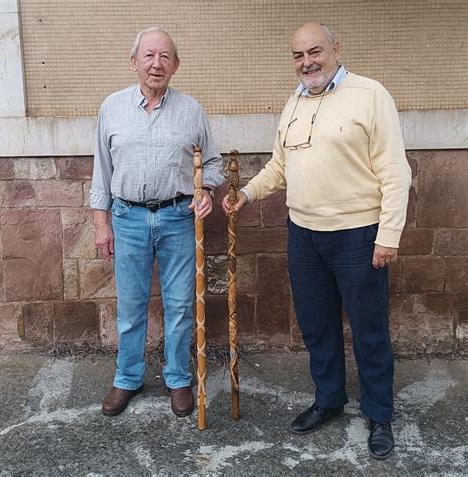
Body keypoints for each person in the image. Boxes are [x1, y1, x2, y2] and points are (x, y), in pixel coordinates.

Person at [222, 22, 411, 460]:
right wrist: (246, 193)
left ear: (335, 49)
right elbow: (280, 167)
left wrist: (388, 235)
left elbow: (394, 171)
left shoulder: (370, 95)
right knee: (316, 327)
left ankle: (379, 413)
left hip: (358, 236)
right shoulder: (293, 103)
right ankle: (329, 399)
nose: (307, 62)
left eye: (315, 52)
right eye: (298, 55)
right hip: (304, 237)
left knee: (369, 331)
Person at [91, 27, 224, 418]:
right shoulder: (111, 108)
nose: (156, 64)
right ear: (134, 62)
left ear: (176, 65)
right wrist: (102, 224)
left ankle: (178, 379)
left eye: (165, 57)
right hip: (127, 216)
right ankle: (127, 377)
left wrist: (207, 192)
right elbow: (102, 169)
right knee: (130, 305)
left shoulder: (191, 110)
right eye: (149, 56)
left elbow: (212, 163)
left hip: (177, 217)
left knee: (181, 304)